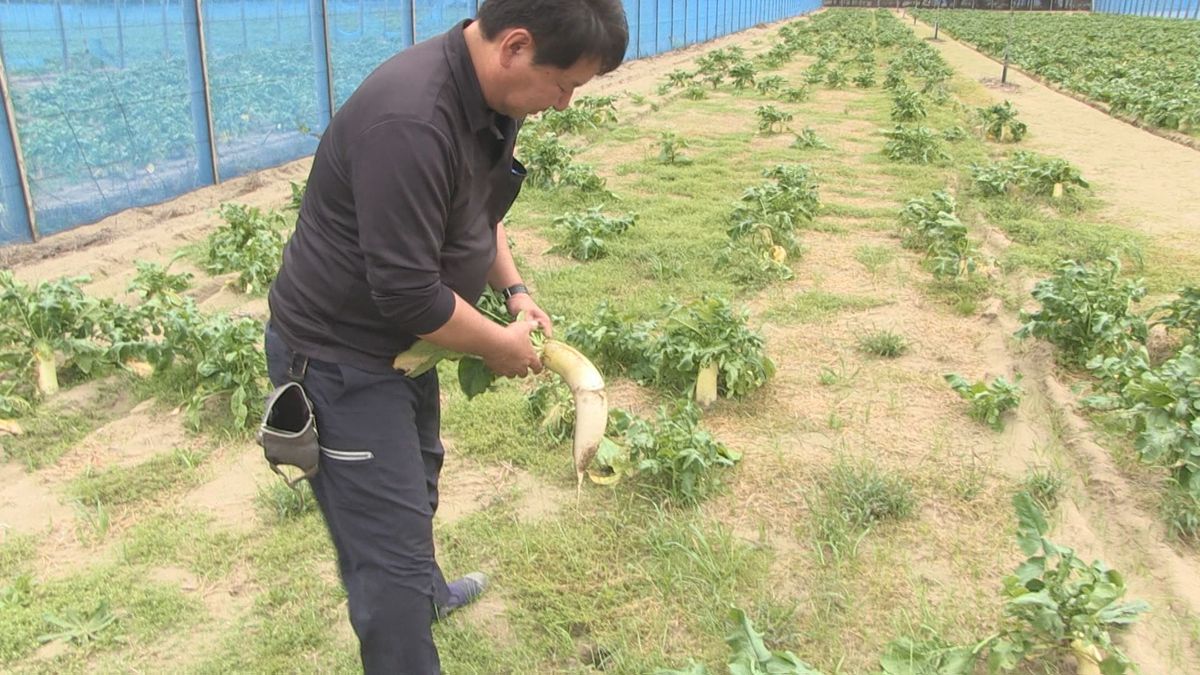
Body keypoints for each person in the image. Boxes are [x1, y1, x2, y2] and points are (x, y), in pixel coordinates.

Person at [263, 0, 628, 672]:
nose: (566, 103)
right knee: (386, 552)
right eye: (565, 84)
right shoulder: (411, 120)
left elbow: (481, 213)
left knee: (417, 478)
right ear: (515, 46)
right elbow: (403, 291)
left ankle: (426, 590)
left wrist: (515, 290)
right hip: (340, 358)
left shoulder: (494, 101)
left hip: (404, 346)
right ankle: (408, 611)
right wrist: (498, 343)